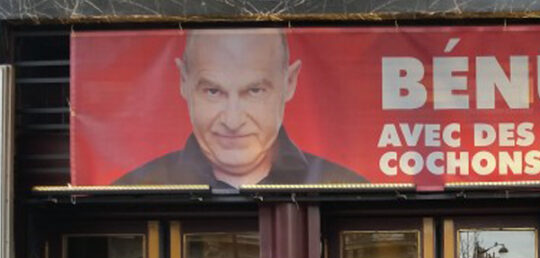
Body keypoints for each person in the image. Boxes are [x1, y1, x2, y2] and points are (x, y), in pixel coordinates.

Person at [116, 28, 364, 188]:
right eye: (213, 91)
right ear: (183, 81)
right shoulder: (132, 188)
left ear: (290, 82)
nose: (232, 121)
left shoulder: (344, 185)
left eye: (254, 91)